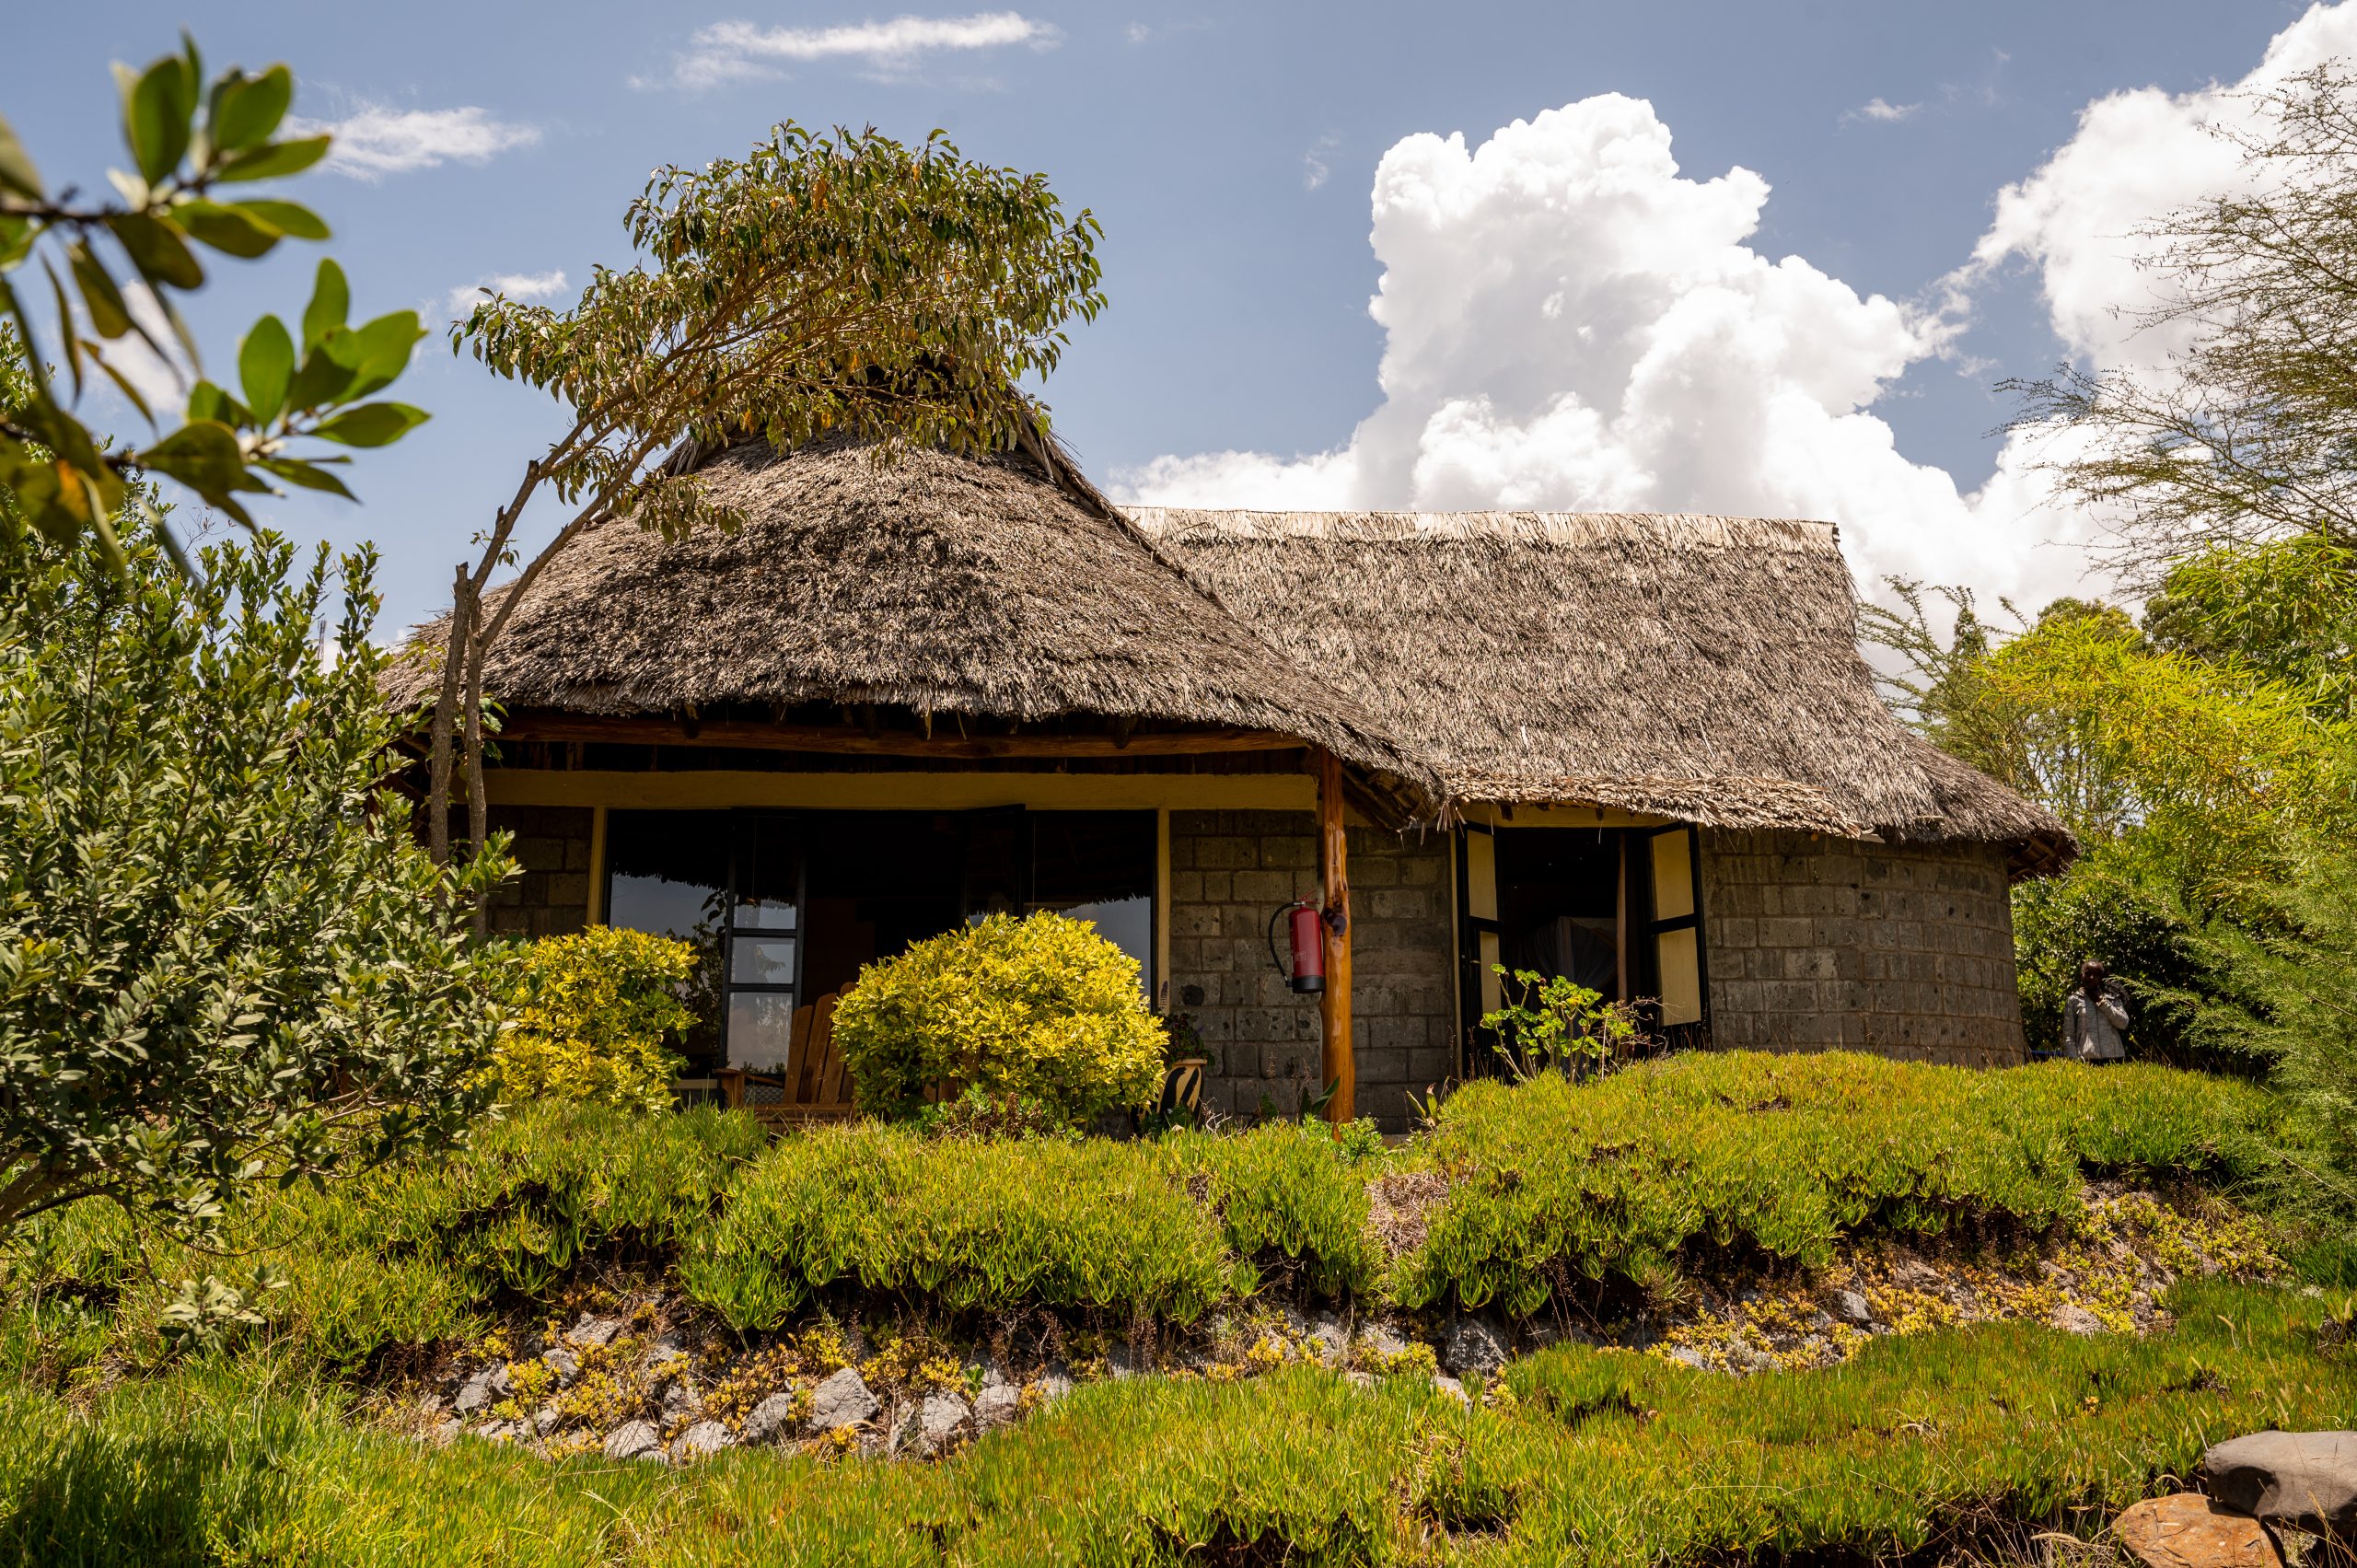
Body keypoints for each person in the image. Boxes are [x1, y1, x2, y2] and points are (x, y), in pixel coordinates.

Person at [2061, 960, 2130, 1063]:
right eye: (2088, 974)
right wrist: (2074, 1060)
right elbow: (2068, 1036)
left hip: (2115, 1059)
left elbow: (2123, 1023)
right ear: (2081, 976)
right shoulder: (2074, 1000)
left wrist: (2102, 1002)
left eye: (2096, 975)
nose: (2092, 978)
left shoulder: (2113, 997)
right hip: (2087, 1061)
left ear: (2102, 978)